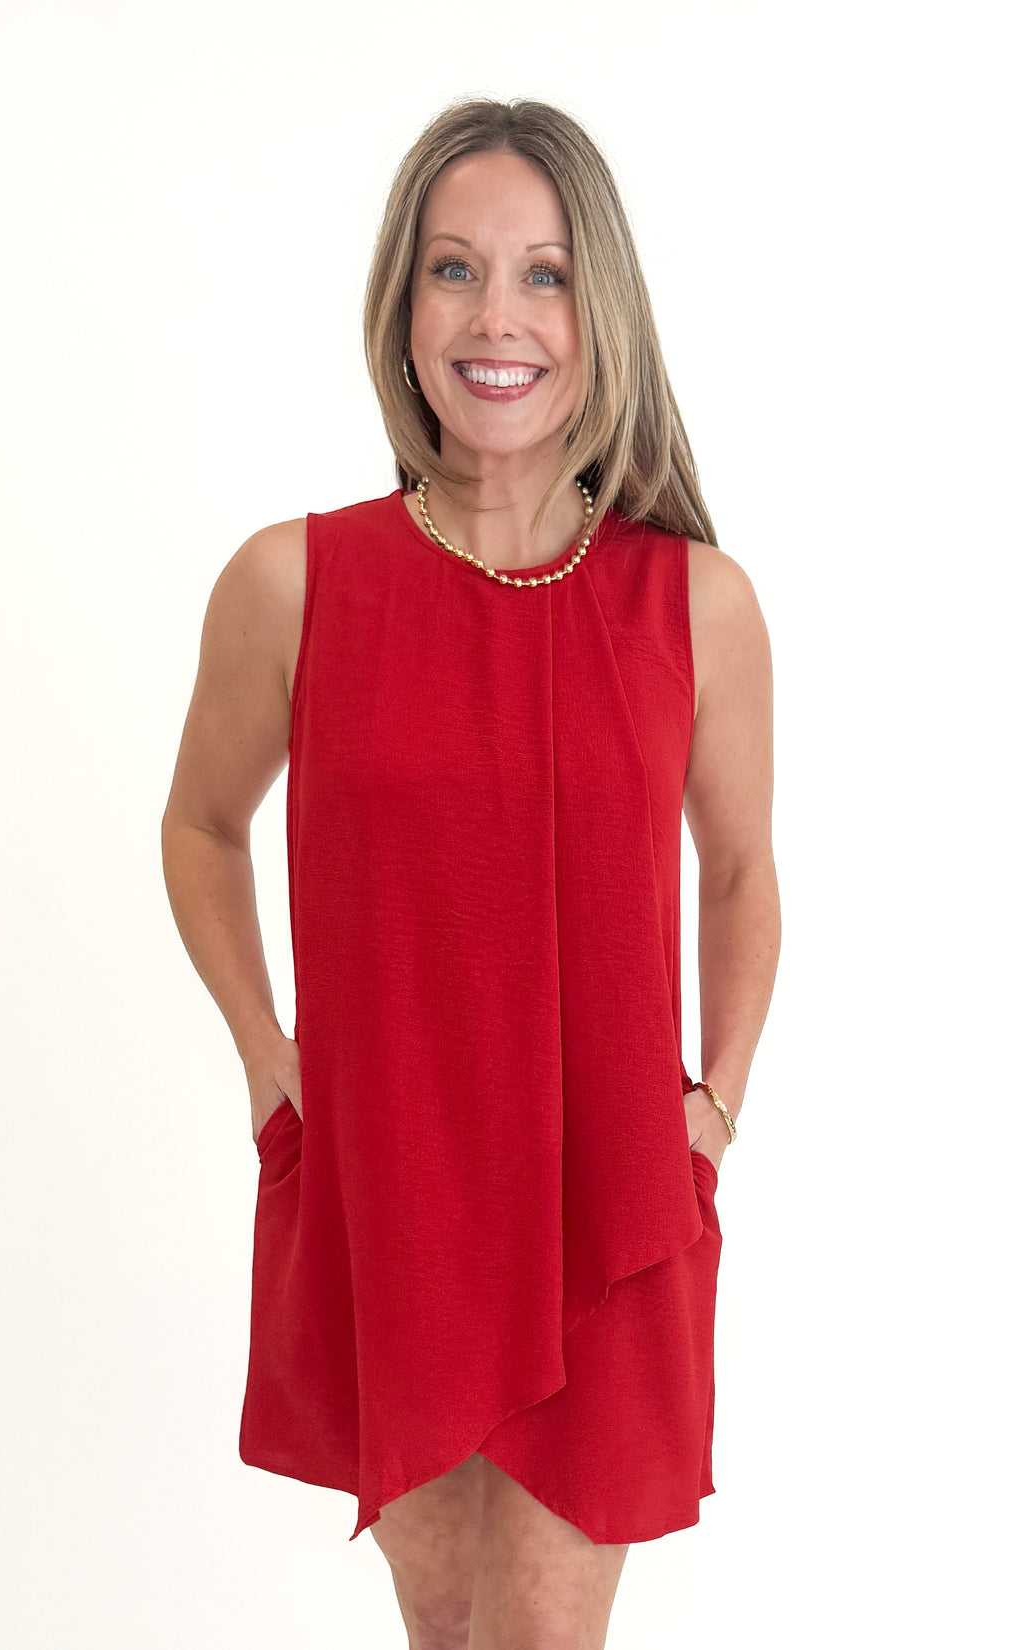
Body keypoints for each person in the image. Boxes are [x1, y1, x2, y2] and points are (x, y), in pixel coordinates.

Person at [162, 95, 780, 1650]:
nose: (497, 316)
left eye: (544, 274)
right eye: (454, 270)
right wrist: (269, 1064)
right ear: (404, 302)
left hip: (611, 1195)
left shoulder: (694, 602)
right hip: (398, 1194)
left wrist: (716, 1108)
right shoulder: (294, 584)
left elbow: (744, 868)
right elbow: (200, 827)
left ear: (600, 308)